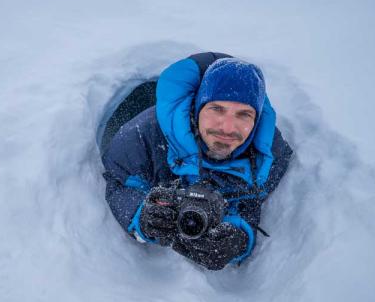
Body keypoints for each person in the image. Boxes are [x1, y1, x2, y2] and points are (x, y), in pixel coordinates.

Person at [100, 52, 293, 270]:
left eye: (244, 115)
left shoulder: (269, 158)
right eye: (217, 109)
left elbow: (252, 202)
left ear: (256, 119)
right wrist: (141, 214)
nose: (228, 128)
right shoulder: (140, 136)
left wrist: (239, 239)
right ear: (197, 107)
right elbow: (117, 182)